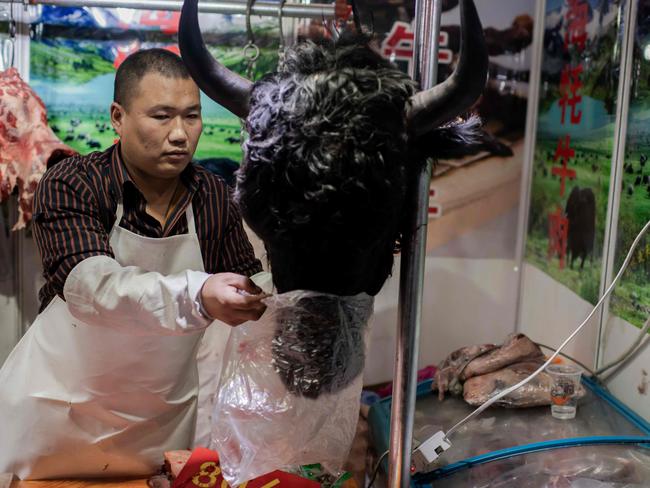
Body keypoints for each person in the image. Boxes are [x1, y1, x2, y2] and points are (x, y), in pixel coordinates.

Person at [0, 48, 266, 480]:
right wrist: (199, 294)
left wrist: (287, 297)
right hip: (55, 416)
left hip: (157, 426)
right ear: (118, 117)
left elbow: (253, 282)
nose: (180, 134)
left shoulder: (212, 196)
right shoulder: (74, 182)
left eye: (191, 116)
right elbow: (94, 288)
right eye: (161, 116)